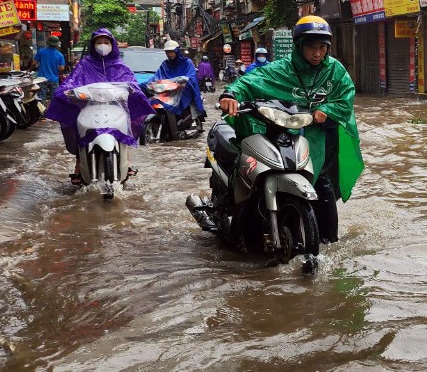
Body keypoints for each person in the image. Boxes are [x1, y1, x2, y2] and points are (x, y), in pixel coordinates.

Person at [219, 16, 363, 243]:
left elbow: (346, 98)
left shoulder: (335, 71)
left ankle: (326, 241)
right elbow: (248, 82)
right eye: (312, 47)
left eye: (322, 48)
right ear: (299, 46)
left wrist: (326, 110)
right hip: (281, 136)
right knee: (255, 171)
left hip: (319, 143)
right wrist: (230, 94)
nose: (318, 53)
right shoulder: (280, 70)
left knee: (323, 186)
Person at [44, 28, 154, 186]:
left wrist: (132, 91)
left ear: (112, 44)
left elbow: (132, 84)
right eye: (99, 42)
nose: (103, 45)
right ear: (93, 44)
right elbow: (70, 83)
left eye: (106, 42)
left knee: (125, 128)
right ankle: (78, 164)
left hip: (115, 108)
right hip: (88, 107)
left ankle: (126, 161)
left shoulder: (119, 66)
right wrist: (66, 93)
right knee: (78, 130)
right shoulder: (84, 65)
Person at [155, 39, 205, 118]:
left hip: (183, 89)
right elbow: (158, 76)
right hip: (169, 90)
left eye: (171, 52)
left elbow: (191, 77)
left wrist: (183, 82)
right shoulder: (165, 64)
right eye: (167, 52)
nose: (169, 54)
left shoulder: (187, 62)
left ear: (177, 51)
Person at [30, 36, 67, 102]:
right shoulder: (60, 55)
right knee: (54, 99)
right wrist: (55, 69)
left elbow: (34, 63)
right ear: (57, 44)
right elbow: (62, 68)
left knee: (41, 98)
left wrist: (29, 70)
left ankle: (42, 111)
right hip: (54, 79)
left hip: (42, 79)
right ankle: (53, 111)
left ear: (48, 43)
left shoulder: (41, 51)